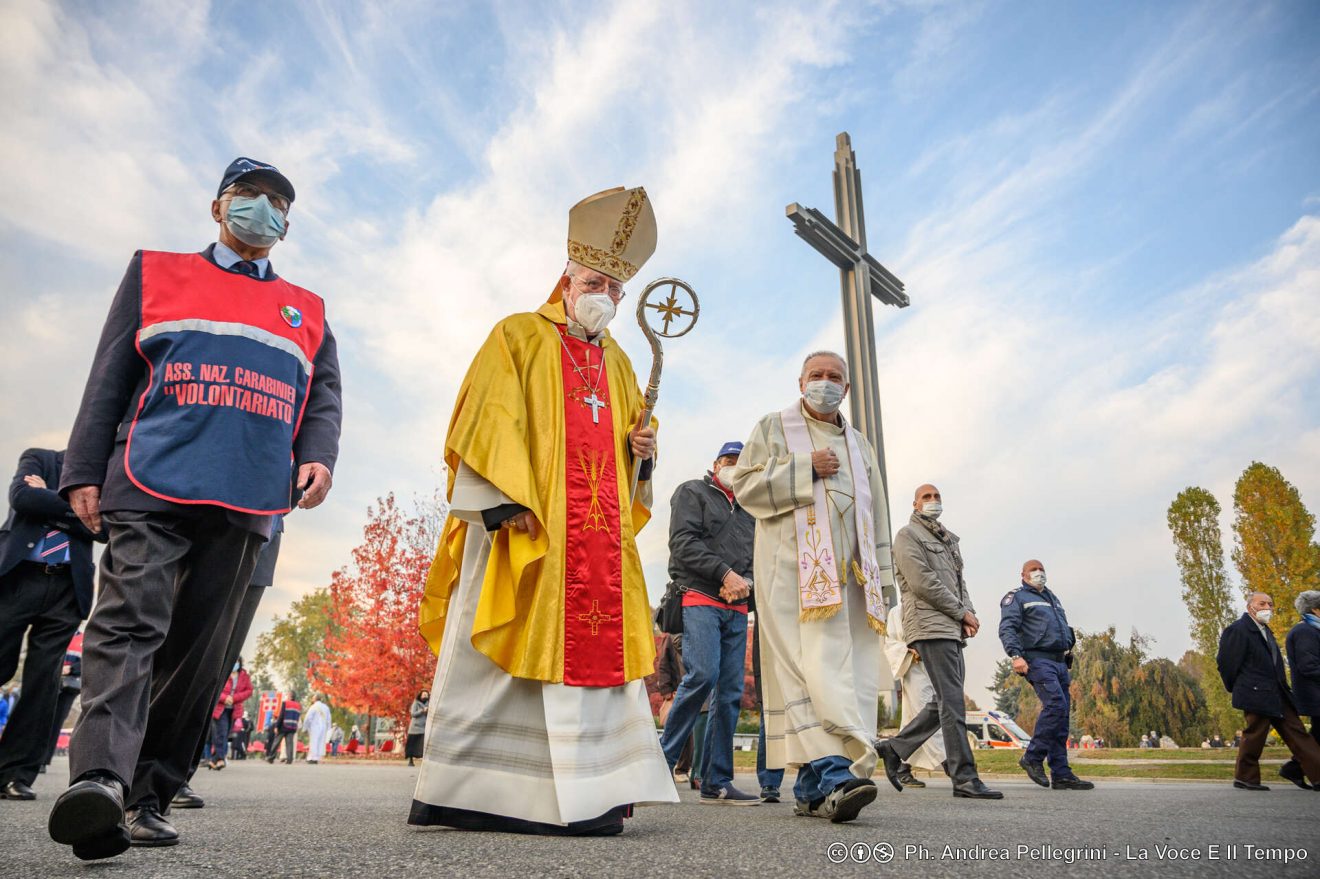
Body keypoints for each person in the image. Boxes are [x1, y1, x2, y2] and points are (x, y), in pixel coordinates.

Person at [48, 156, 342, 861]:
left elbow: (323, 396)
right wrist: (83, 469)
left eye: (278, 203)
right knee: (128, 624)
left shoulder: (307, 309)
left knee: (200, 652)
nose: (263, 209)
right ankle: (99, 781)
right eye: (249, 195)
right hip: (153, 476)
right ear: (218, 207)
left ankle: (147, 794)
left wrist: (318, 456)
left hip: (249, 492)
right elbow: (109, 374)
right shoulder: (156, 274)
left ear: (287, 225)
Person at [409, 187, 676, 836]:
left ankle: (594, 792)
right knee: (503, 647)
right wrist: (502, 504)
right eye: (593, 282)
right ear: (565, 281)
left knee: (596, 650)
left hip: (597, 545)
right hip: (526, 526)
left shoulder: (619, 362)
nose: (604, 296)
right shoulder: (518, 334)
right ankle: (478, 791)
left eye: (615, 289)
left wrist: (642, 453)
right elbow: (486, 416)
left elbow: (626, 460)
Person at [728, 351, 893, 823]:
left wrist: (883, 580)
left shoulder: (860, 445)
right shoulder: (773, 427)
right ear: (800, 382)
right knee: (809, 672)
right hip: (791, 576)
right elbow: (745, 486)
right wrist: (804, 468)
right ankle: (838, 776)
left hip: (851, 581)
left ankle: (811, 792)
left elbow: (877, 510)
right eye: (816, 375)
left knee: (844, 675)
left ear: (847, 389)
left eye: (834, 377)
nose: (825, 382)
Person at [876, 484, 1003, 800]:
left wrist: (968, 613)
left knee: (944, 701)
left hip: (950, 627)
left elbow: (959, 583)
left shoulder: (947, 540)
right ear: (915, 504)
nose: (933, 501)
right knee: (952, 702)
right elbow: (923, 583)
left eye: (937, 496)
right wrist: (960, 612)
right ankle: (964, 777)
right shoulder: (907, 536)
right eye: (927, 497)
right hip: (929, 626)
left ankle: (894, 748)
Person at [659, 442, 759, 805]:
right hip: (699, 596)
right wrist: (725, 573)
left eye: (741, 462)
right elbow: (683, 543)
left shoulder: (752, 510)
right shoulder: (692, 492)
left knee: (730, 692)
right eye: (729, 460)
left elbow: (758, 556)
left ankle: (717, 779)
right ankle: (661, 763)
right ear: (716, 463)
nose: (734, 466)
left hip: (737, 605)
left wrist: (746, 582)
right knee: (701, 675)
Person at [0, 449, 101, 802]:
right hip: (16, 579)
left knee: (42, 683)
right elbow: (23, 498)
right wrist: (77, 509)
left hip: (67, 588)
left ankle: (14, 773)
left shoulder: (103, 476)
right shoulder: (39, 459)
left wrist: (49, 499)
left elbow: (105, 527)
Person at [175, 515, 287, 809]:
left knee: (219, 666)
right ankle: (148, 770)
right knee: (187, 655)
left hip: (266, 535)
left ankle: (176, 773)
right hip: (221, 524)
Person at [997, 559, 1093, 791]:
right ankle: (1032, 757)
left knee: (1062, 716)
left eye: (1041, 569)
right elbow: (1008, 627)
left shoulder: (1052, 598)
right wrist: (1015, 655)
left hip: (1059, 662)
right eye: (1033, 570)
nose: (1038, 572)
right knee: (1056, 705)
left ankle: (1061, 773)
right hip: (1037, 660)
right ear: (1023, 575)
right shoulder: (1017, 597)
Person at [1216, 592, 1320, 791]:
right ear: (1250, 607)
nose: (1268, 608)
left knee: (1298, 734)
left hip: (1277, 692)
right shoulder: (1238, 630)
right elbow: (1226, 663)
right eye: (1262, 603)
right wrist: (1237, 687)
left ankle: (1317, 775)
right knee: (1255, 735)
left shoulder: (1265, 630)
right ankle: (1246, 777)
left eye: (1270, 604)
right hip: (1255, 693)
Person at [881, 609, 943, 788]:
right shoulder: (898, 611)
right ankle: (955, 767)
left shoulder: (933, 604)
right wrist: (907, 650)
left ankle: (902, 767)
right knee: (927, 714)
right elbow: (891, 643)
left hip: (937, 665)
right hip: (914, 668)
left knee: (913, 720)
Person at [1281, 590, 1320, 789]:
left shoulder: (1311, 629)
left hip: (1314, 692)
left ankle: (1294, 768)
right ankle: (1295, 768)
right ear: (1315, 609)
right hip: (1314, 693)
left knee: (1317, 735)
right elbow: (1309, 666)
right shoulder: (1305, 631)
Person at [42, 634, 84, 772]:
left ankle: (43, 760)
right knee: (42, 719)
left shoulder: (83, 638)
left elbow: (88, 661)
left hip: (69, 685)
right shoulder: (59, 630)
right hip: (50, 679)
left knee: (56, 722)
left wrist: (71, 669)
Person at [207, 659, 253, 770]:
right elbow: (214, 688)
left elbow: (249, 691)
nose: (235, 663)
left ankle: (214, 760)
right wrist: (224, 698)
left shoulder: (244, 676)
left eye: (237, 661)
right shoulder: (222, 673)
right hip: (220, 708)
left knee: (225, 734)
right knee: (221, 733)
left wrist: (234, 698)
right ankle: (220, 759)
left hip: (234, 710)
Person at [267, 693, 302, 765]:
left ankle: (271, 757)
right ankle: (289, 759)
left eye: (287, 695)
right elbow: (298, 717)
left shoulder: (285, 703)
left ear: (290, 697)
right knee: (290, 743)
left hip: (283, 726)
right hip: (292, 726)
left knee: (276, 742)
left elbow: (281, 715)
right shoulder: (298, 706)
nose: (286, 697)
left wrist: (277, 726)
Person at [302, 695, 331, 765]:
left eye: (312, 698)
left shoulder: (313, 707)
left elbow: (308, 718)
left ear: (315, 699)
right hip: (323, 727)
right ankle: (317, 757)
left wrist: (305, 727)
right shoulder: (326, 707)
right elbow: (329, 719)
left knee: (313, 742)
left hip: (315, 726)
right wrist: (328, 728)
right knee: (320, 742)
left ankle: (312, 758)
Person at [405, 691, 428, 767]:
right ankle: (410, 760)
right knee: (412, 744)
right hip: (414, 728)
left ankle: (425, 761)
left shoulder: (429, 704)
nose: (425, 696)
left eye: (426, 695)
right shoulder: (416, 703)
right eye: (424, 694)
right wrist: (422, 711)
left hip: (424, 727)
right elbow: (413, 714)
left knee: (423, 744)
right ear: (420, 695)